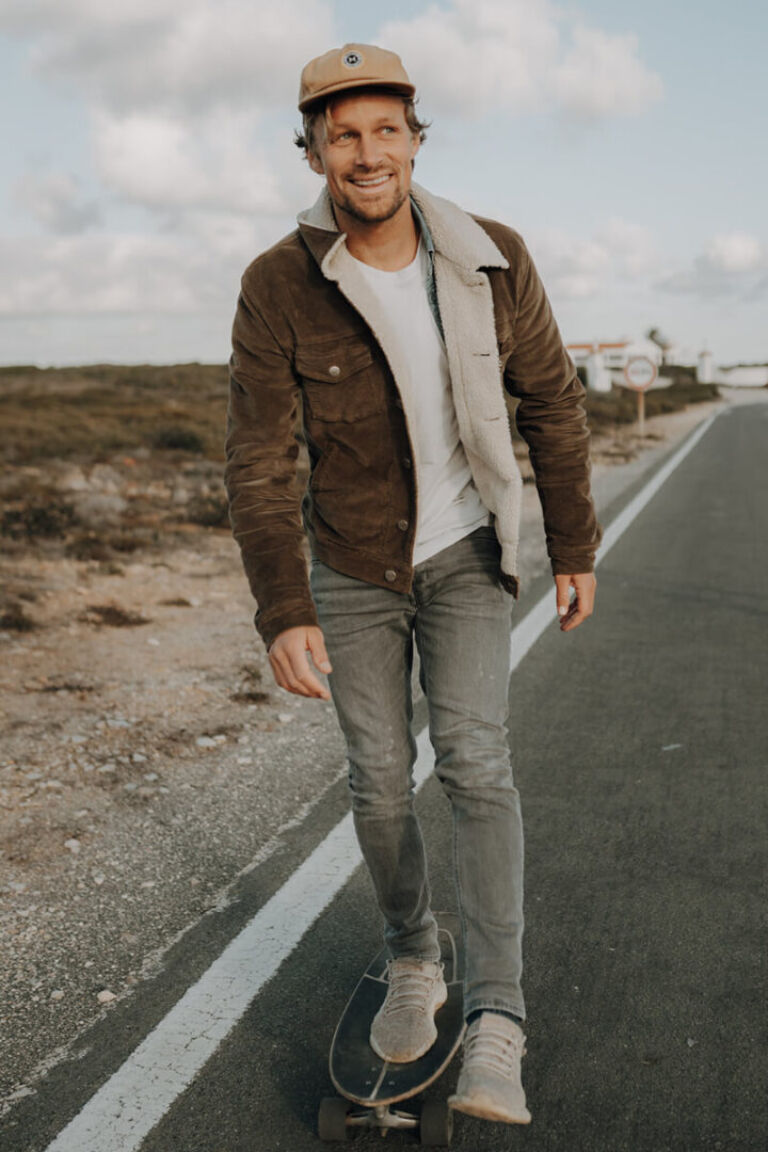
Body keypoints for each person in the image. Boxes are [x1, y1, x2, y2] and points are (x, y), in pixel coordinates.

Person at [225, 43, 601, 1126]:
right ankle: (411, 956)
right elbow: (258, 461)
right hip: (352, 568)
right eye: (342, 134)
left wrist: (572, 546)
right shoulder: (276, 284)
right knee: (380, 780)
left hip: (469, 553)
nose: (366, 151)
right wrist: (283, 608)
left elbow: (552, 403)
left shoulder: (493, 256)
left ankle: (497, 1016)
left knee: (476, 764)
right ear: (312, 153)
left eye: (385, 129)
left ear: (415, 141)